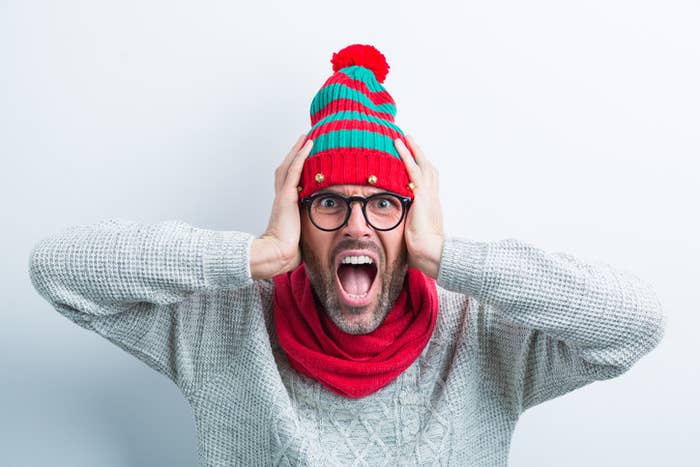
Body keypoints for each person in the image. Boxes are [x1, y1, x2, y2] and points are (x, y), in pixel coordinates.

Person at [28, 44, 666, 466]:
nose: (357, 226)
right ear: (298, 220)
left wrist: (450, 258)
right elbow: (59, 270)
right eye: (328, 203)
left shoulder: (481, 336)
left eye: (383, 203)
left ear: (411, 217)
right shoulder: (223, 328)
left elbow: (636, 323)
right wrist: (256, 254)